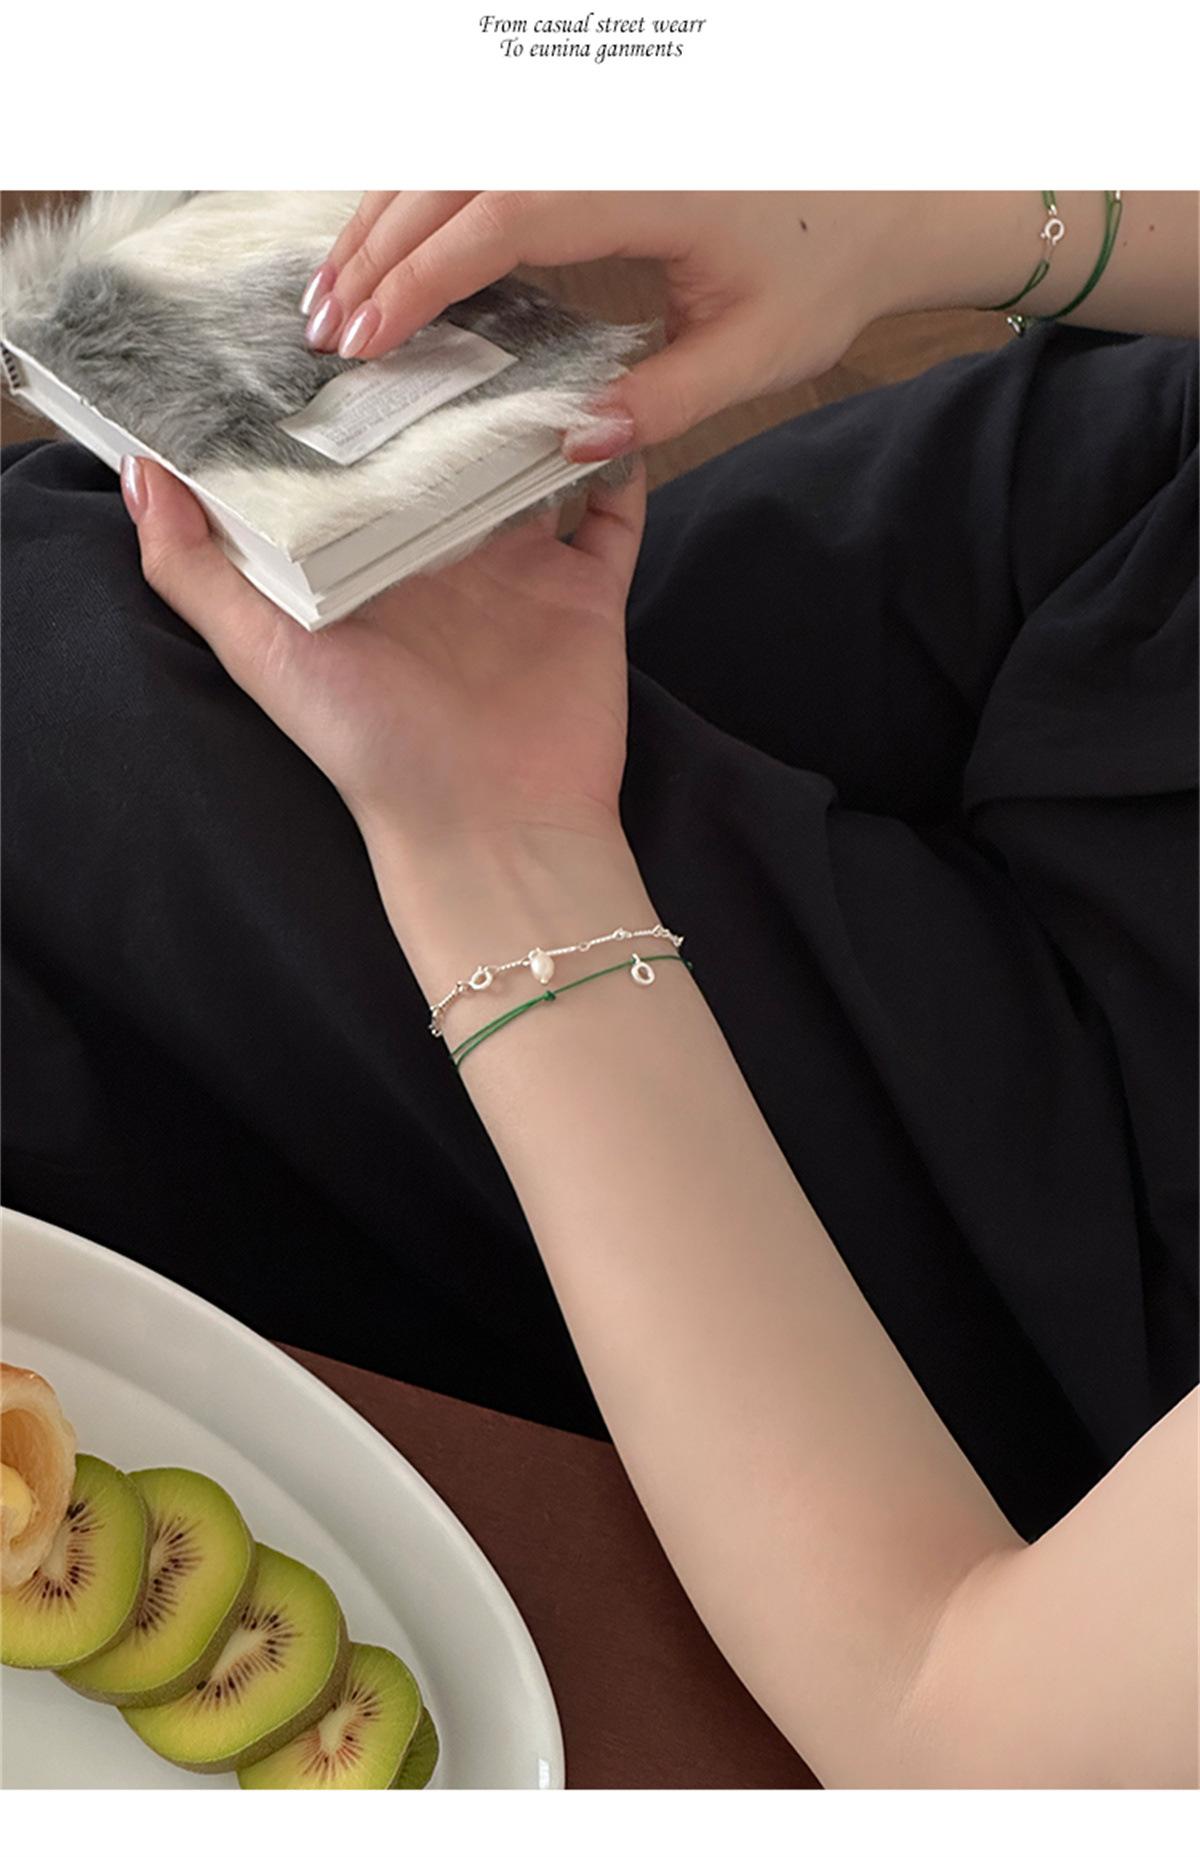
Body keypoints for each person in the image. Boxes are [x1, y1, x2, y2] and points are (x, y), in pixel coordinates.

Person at [2, 191, 1196, 1786]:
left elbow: (956, 1723)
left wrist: (500, 841)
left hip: (1120, 1220)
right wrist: (944, 224)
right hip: (1139, 524)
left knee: (81, 679)